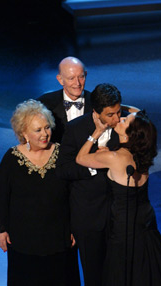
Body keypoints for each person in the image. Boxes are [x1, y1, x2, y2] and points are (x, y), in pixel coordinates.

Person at [76, 110, 161, 286]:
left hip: (123, 224)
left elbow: (80, 158)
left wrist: (97, 132)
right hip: (146, 220)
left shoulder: (114, 157)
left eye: (125, 120)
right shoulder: (142, 156)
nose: (120, 118)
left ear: (130, 133)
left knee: (123, 272)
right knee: (146, 269)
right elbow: (138, 115)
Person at [0, 99, 79, 285]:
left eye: (47, 127)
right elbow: (0, 196)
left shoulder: (62, 155)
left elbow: (75, 193)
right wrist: (1, 230)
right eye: (38, 130)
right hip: (23, 239)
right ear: (24, 133)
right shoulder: (12, 158)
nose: (45, 134)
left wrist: (75, 227)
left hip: (58, 236)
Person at [56, 83, 134, 286]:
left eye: (118, 112)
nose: (116, 119)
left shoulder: (126, 126)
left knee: (124, 273)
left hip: (120, 214)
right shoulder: (75, 129)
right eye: (110, 115)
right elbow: (63, 169)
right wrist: (94, 165)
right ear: (96, 112)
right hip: (89, 217)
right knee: (94, 276)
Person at [38, 56, 138, 143]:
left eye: (81, 77)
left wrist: (123, 107)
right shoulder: (45, 102)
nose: (77, 83)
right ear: (60, 79)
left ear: (85, 74)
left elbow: (137, 115)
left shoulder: (96, 101)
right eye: (71, 78)